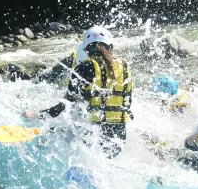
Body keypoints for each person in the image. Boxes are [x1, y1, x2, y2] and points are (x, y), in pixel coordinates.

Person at [23, 26, 133, 158]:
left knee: (55, 132)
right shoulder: (125, 67)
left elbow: (62, 107)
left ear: (86, 49)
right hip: (119, 138)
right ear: (111, 47)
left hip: (94, 137)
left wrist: (37, 115)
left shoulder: (84, 68)